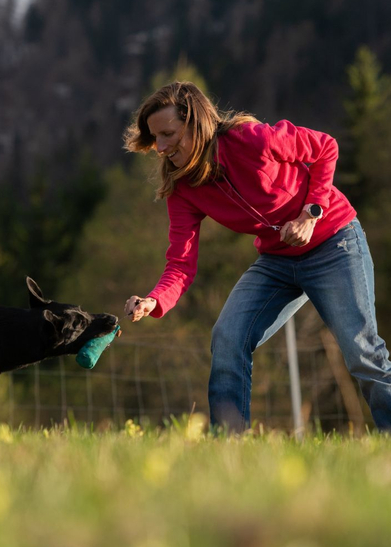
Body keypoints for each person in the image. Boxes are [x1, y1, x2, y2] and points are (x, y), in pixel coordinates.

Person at [123, 81, 391, 433]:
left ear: (196, 123)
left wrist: (310, 213)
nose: (160, 146)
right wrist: (153, 300)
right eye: (155, 137)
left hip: (334, 243)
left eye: (168, 133)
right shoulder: (183, 188)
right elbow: (181, 264)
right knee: (228, 338)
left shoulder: (254, 140)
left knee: (361, 352)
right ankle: (229, 447)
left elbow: (326, 147)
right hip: (278, 262)